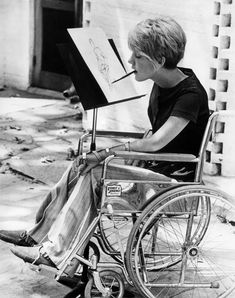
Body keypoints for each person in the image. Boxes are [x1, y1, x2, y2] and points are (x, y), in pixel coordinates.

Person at [0, 16, 209, 271]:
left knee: (96, 171)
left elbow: (156, 143)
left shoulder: (190, 95)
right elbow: (153, 139)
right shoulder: (163, 83)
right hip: (154, 170)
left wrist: (106, 154)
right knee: (81, 164)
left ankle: (56, 253)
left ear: (160, 61)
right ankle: (38, 235)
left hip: (170, 185)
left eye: (137, 55)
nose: (130, 61)